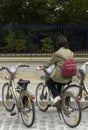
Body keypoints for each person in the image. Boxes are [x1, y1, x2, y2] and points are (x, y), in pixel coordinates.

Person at [39, 35, 74, 105]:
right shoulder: (71, 53)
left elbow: (48, 63)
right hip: (69, 76)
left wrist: (42, 67)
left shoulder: (57, 53)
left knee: (49, 82)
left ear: (58, 44)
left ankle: (56, 97)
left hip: (60, 76)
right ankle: (59, 102)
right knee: (59, 83)